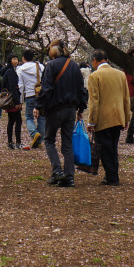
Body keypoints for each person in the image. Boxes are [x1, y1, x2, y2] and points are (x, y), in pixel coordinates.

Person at [34, 43, 86, 188]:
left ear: (53, 53)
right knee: (67, 142)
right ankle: (69, 177)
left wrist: (39, 105)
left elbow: (47, 88)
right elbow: (81, 89)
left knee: (49, 139)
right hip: (70, 109)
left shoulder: (51, 66)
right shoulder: (75, 66)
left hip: (55, 108)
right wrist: (81, 108)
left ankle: (57, 171)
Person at [86, 50, 131, 186]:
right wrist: (126, 118)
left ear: (95, 60)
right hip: (118, 116)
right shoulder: (120, 74)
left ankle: (111, 176)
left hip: (103, 118)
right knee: (113, 146)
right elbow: (126, 98)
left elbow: (94, 101)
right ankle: (113, 174)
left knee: (105, 148)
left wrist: (91, 121)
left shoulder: (95, 76)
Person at [17, 49, 45, 149]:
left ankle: (34, 134)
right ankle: (40, 140)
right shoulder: (40, 66)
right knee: (42, 117)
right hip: (41, 95)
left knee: (29, 117)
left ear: (23, 58)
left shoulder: (20, 69)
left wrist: (20, 100)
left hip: (29, 95)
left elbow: (20, 86)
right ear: (33, 58)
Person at [1, 57, 22, 148]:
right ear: (10, 60)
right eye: (14, 59)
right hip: (12, 99)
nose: (16, 61)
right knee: (18, 120)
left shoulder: (9, 70)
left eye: (17, 59)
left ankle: (10, 142)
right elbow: (13, 87)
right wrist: (17, 102)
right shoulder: (10, 71)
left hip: (11, 99)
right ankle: (17, 142)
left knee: (11, 121)